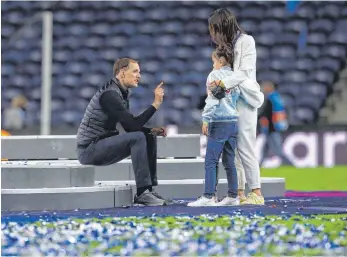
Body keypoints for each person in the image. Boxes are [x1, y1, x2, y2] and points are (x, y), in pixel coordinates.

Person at [76, 57, 169, 206]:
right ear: (122, 72)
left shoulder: (120, 92)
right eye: (135, 71)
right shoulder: (110, 95)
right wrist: (156, 104)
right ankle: (142, 193)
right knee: (138, 137)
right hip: (89, 150)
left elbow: (130, 127)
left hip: (100, 145)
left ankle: (149, 190)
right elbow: (132, 128)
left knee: (148, 136)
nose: (139, 75)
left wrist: (150, 130)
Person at [207, 8, 265, 205]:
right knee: (233, 148)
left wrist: (222, 84)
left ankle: (256, 192)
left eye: (213, 29)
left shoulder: (246, 41)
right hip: (231, 101)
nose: (212, 35)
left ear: (222, 27)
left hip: (245, 101)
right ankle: (238, 193)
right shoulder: (227, 46)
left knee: (245, 146)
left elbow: (243, 73)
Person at [188, 48, 241, 207]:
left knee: (211, 161)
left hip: (219, 122)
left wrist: (206, 119)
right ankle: (233, 196)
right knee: (229, 161)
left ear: (221, 61)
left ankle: (209, 196)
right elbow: (237, 97)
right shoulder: (235, 76)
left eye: (214, 61)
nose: (213, 65)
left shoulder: (214, 75)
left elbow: (212, 99)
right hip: (233, 121)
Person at [259, 81, 293, 166]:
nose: (263, 89)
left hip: (271, 128)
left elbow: (266, 112)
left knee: (278, 150)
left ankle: (290, 164)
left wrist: (257, 117)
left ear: (269, 88)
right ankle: (259, 165)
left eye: (265, 87)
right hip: (275, 127)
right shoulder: (277, 97)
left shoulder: (270, 99)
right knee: (265, 149)